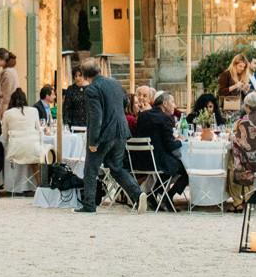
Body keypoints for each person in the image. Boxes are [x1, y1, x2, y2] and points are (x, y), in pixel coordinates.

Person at [76, 60, 147, 214]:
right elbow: (124, 101)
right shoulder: (114, 83)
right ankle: (137, 194)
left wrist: (93, 141)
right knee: (117, 167)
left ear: (84, 74)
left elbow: (96, 117)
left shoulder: (91, 90)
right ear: (99, 70)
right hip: (121, 131)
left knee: (90, 168)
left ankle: (89, 205)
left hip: (104, 134)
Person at [134, 91, 189, 209]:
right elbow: (170, 145)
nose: (174, 105)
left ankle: (153, 194)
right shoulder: (166, 118)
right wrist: (181, 141)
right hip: (158, 161)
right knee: (186, 171)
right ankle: (168, 196)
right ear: (164, 103)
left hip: (140, 160)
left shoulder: (143, 115)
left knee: (169, 168)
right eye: (172, 102)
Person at [229, 90, 256, 210]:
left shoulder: (243, 122)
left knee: (233, 163)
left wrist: (232, 137)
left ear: (247, 106)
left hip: (252, 166)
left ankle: (237, 202)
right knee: (242, 159)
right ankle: (248, 197)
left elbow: (238, 144)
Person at [2, 88, 45, 176]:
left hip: (15, 151)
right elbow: (39, 130)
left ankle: (12, 186)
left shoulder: (7, 113)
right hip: (33, 149)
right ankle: (39, 185)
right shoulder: (34, 111)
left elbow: (4, 136)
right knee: (34, 157)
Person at [0, 48, 20, 117]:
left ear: (2, 59)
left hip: (8, 107)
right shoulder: (12, 71)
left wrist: (3, 112)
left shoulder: (7, 73)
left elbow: (6, 95)